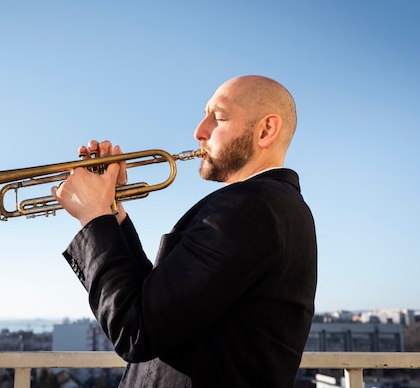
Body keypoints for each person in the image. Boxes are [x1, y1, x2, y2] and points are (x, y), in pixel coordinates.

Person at [51, 75, 317, 387]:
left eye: (217, 118)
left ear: (266, 130)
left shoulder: (248, 208)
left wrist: (93, 216)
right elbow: (159, 304)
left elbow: (135, 329)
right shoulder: (271, 205)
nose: (199, 132)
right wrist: (109, 209)